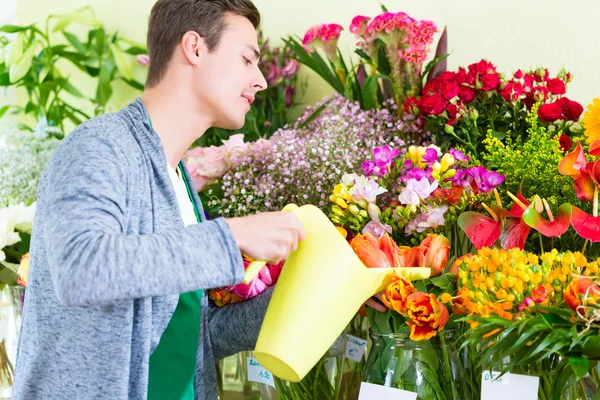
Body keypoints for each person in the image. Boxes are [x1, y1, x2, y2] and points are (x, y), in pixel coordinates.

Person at [12, 0, 306, 399]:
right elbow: (80, 269)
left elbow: (189, 339)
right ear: (195, 48)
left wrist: (316, 292)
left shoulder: (178, 181)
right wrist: (232, 235)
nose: (261, 81)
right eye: (247, 60)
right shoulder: (100, 148)